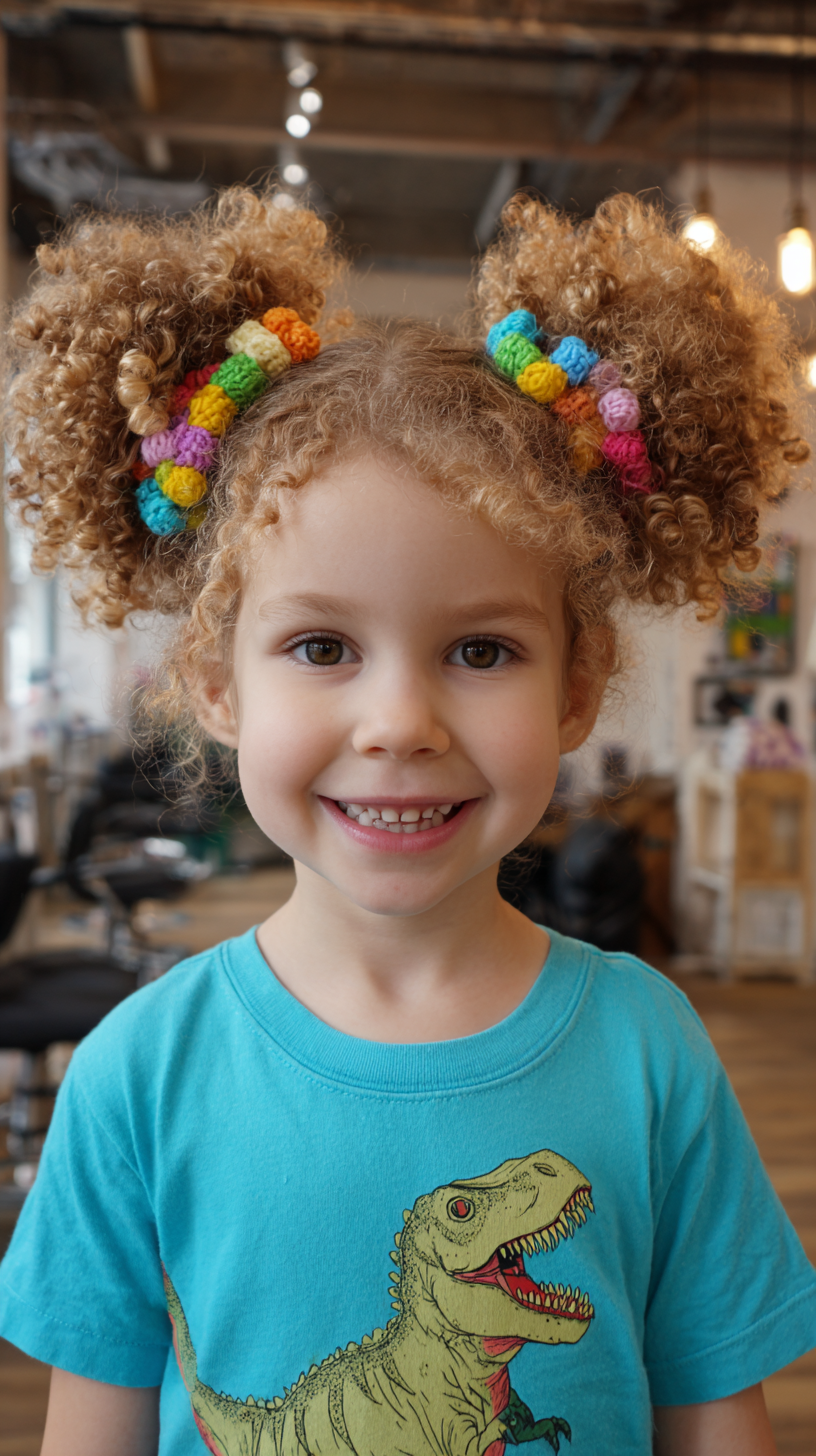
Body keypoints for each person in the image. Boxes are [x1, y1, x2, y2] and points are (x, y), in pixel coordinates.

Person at [0, 187, 813, 1456]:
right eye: (321, 644)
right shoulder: (132, 1077)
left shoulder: (655, 1051)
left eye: (481, 648)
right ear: (217, 683)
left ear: (577, 689)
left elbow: (717, 1418)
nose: (400, 721)